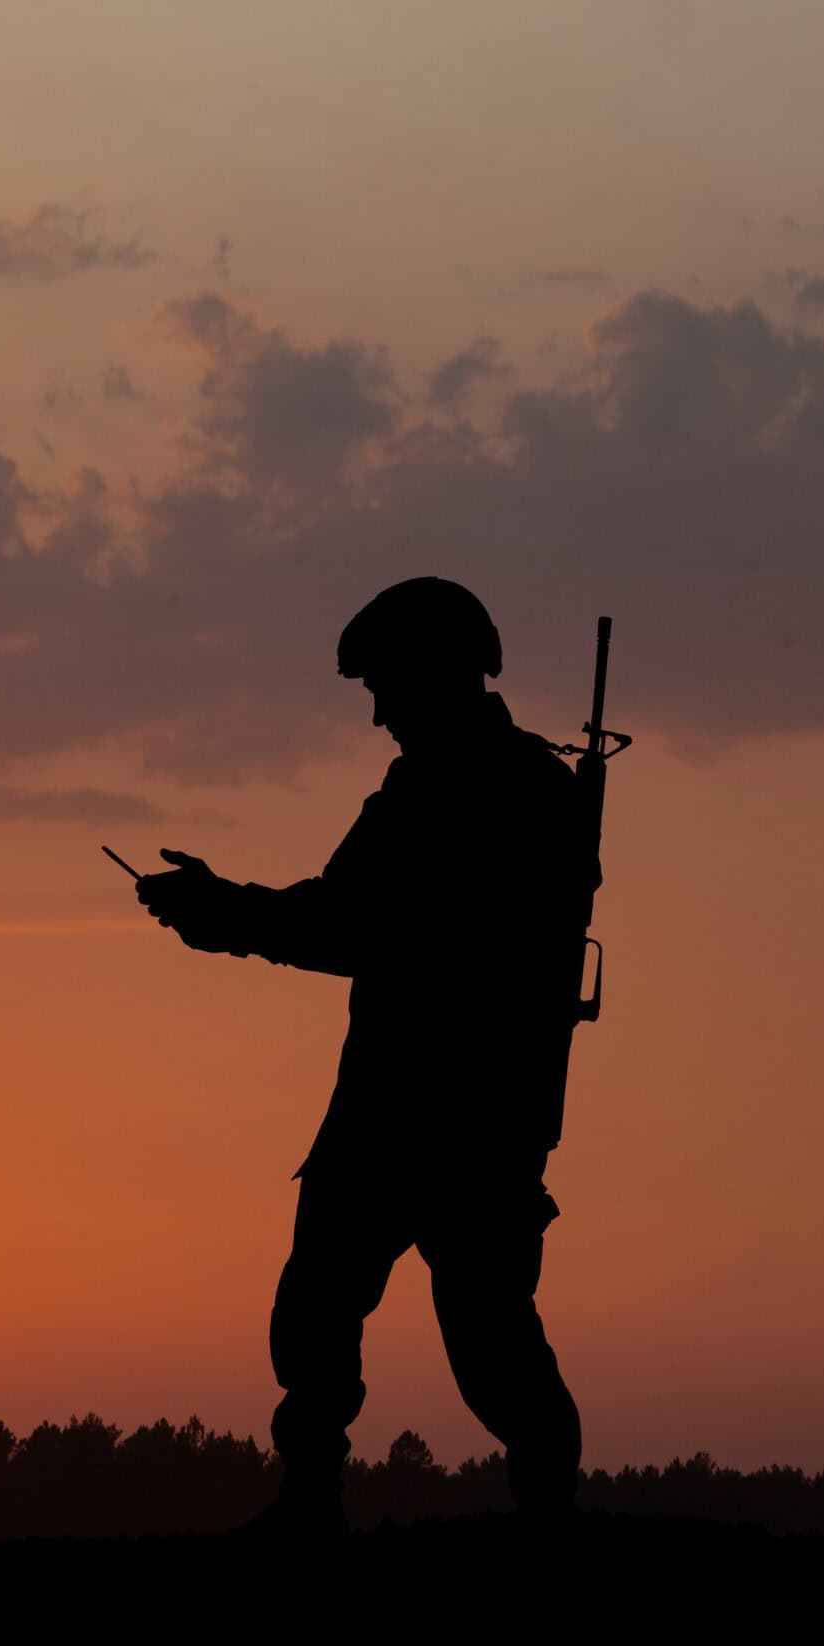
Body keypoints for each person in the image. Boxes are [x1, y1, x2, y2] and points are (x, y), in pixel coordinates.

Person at [132, 578, 590, 1534]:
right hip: (399, 1112)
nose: (377, 712)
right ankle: (315, 1499)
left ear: (435, 674)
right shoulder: (456, 786)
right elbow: (347, 917)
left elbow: (351, 925)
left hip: (460, 1121)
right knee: (321, 1311)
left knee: (487, 1341)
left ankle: (546, 1511)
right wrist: (229, 912)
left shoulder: (495, 792)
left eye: (386, 685)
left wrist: (224, 912)